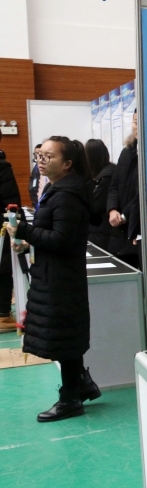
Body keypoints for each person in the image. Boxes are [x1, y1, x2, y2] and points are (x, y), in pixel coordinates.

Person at [13, 136, 101, 422]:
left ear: (67, 164)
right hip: (54, 274)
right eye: (39, 155)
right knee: (64, 335)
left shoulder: (67, 195)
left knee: (64, 338)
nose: (41, 161)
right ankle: (81, 384)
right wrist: (29, 241)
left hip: (61, 279)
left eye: (48, 157)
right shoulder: (57, 188)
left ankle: (71, 398)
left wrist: (25, 232)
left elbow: (62, 239)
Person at [108, 114, 141, 269]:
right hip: (119, 230)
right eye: (135, 122)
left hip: (136, 227)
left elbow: (143, 194)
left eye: (140, 122)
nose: (137, 126)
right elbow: (114, 184)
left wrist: (124, 215)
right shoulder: (127, 152)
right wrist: (112, 209)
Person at [85, 139, 123, 254]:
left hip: (103, 230)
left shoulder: (105, 177)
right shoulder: (105, 172)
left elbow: (96, 205)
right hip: (102, 229)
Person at [0, 138, 20, 332]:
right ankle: (3, 315)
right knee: (4, 269)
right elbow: (11, 203)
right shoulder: (3, 167)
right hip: (1, 227)